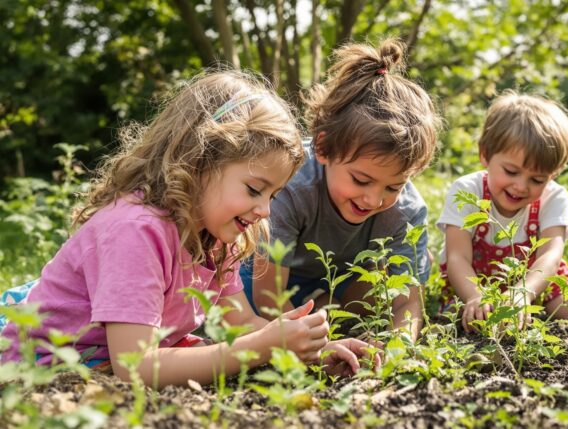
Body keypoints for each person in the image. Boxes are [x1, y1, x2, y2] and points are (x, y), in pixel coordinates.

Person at [0, 70, 374, 387]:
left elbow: (241, 321)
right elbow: (136, 367)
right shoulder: (137, 230)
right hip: (43, 367)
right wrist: (261, 347)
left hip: (112, 361)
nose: (264, 210)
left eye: (273, 195)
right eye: (254, 189)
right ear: (198, 161)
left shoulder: (216, 235)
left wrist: (304, 349)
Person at [240, 39, 441, 341]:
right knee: (241, 309)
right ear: (323, 148)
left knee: (384, 282)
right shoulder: (292, 185)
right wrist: (312, 348)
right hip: (266, 280)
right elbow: (269, 297)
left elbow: (409, 303)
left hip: (341, 283)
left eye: (395, 185)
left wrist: (398, 348)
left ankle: (325, 309)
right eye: (361, 180)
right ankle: (318, 313)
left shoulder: (406, 210)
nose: (374, 199)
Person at [438, 91, 568, 332]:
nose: (521, 186)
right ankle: (483, 308)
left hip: (533, 282)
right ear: (485, 155)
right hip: (474, 281)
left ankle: (523, 313)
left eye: (538, 179)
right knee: (459, 317)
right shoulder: (467, 190)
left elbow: (550, 256)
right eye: (511, 171)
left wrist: (523, 292)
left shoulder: (554, 197)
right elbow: (457, 256)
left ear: (553, 175)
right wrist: (474, 296)